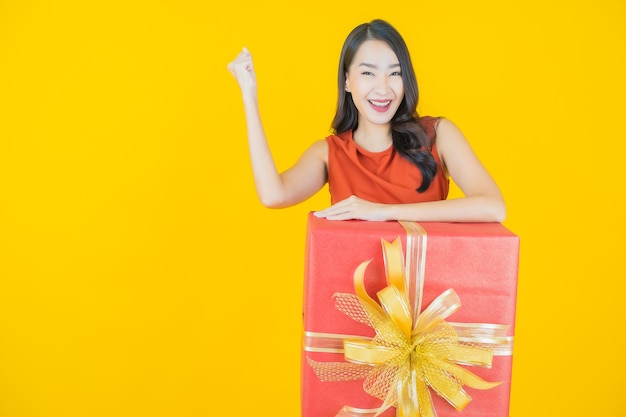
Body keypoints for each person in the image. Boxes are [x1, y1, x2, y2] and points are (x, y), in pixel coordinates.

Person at [227, 19, 505, 222]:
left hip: (425, 298)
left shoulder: (438, 135)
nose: (383, 88)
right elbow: (273, 196)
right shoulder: (330, 153)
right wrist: (249, 95)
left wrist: (384, 212)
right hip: (353, 297)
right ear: (347, 81)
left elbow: (493, 207)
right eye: (368, 74)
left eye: (394, 74)